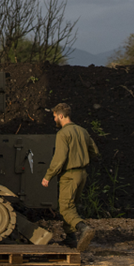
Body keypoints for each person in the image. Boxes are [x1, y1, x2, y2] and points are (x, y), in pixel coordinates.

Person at [42, 103, 100, 250]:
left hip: (69, 175)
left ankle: (84, 228)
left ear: (61, 116)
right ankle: (70, 238)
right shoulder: (83, 131)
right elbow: (95, 152)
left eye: (54, 117)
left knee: (65, 209)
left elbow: (59, 158)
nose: (54, 120)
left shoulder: (63, 134)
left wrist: (48, 176)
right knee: (71, 206)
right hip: (82, 174)